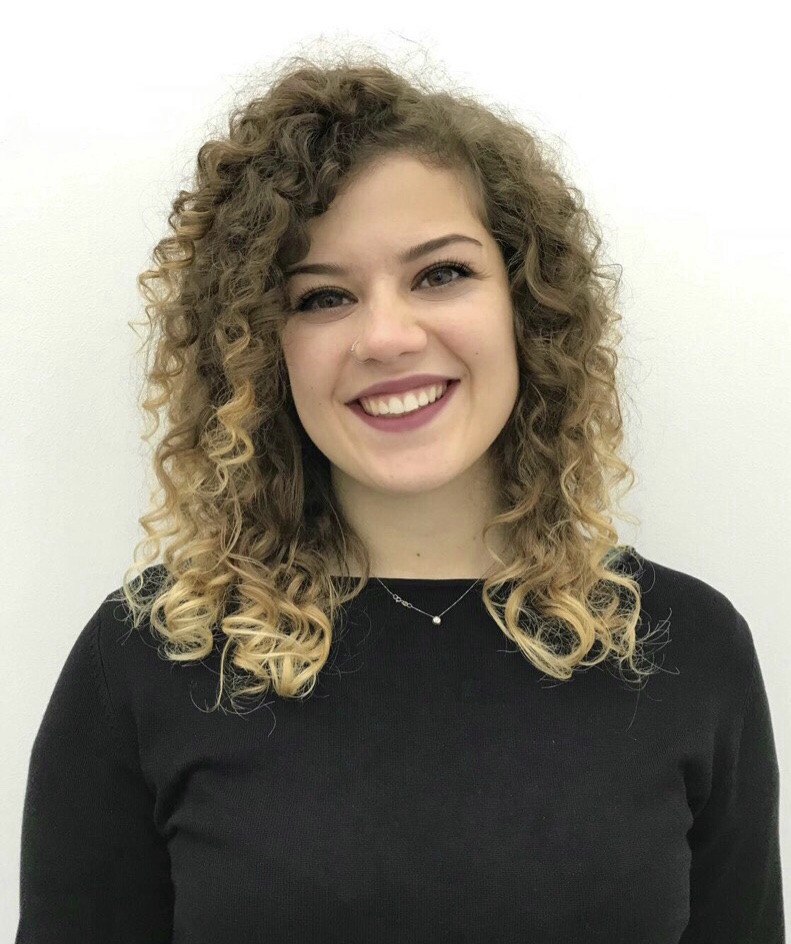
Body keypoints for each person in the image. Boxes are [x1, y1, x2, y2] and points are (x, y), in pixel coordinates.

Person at [15, 49, 784, 943]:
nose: (385, 336)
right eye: (322, 296)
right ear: (259, 351)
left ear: (526, 308)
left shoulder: (688, 650)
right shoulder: (148, 659)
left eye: (440, 274)